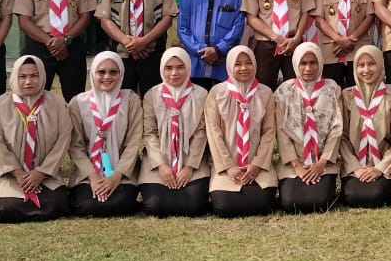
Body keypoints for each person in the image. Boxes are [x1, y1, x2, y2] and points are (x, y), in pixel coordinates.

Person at [0, 55, 72, 223]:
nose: (28, 81)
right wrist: (18, 173)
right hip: (8, 175)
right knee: (7, 208)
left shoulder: (58, 104)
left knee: (57, 204)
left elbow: (63, 140)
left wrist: (41, 172)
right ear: (14, 77)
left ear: (43, 76)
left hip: (46, 175)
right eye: (22, 76)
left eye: (34, 76)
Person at [97, 0, 179, 96]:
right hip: (121, 55)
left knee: (153, 99)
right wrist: (128, 42)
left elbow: (167, 18)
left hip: (152, 54)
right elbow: (105, 20)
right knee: (121, 100)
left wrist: (143, 42)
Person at [205, 45, 278, 217]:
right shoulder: (217, 93)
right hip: (226, 166)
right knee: (224, 206)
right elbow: (214, 133)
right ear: (230, 66)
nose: (244, 68)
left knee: (263, 203)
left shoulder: (265, 93)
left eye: (248, 63)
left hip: (258, 166)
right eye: (238, 64)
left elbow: (269, 132)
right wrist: (229, 166)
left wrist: (257, 165)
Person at [68, 51, 143, 217]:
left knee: (122, 203)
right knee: (87, 206)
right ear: (93, 73)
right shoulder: (78, 102)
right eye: (101, 72)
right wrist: (93, 178)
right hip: (88, 173)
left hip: (121, 172)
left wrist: (116, 177)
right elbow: (75, 146)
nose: (107, 77)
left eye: (113, 72)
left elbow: (133, 144)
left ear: (121, 73)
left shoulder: (130, 100)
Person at [139, 47, 211, 217]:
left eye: (180, 67)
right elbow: (149, 133)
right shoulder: (152, 95)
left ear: (188, 68)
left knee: (194, 205)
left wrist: (189, 167)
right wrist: (162, 166)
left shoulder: (201, 94)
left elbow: (201, 133)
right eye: (169, 68)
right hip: (158, 161)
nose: (174, 73)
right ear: (161, 69)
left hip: (192, 161)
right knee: (155, 205)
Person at [273, 42, 344, 213]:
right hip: (293, 162)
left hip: (323, 162)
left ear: (320, 62)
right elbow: (281, 132)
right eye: (303, 63)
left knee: (320, 201)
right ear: (295, 64)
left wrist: (322, 163)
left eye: (313, 62)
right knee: (291, 202)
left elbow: (337, 128)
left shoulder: (332, 89)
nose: (308, 68)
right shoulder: (284, 91)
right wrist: (296, 165)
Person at [338, 44, 391, 207]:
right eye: (361, 65)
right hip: (355, 168)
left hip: (385, 166)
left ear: (380, 64)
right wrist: (355, 167)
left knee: (376, 195)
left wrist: (380, 168)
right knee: (353, 195)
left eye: (371, 64)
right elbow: (341, 137)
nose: (366, 70)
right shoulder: (347, 96)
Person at [176, 0, 245, 91]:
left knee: (224, 101)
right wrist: (201, 51)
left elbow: (238, 26)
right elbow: (182, 29)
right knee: (197, 100)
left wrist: (218, 50)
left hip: (224, 62)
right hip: (195, 64)